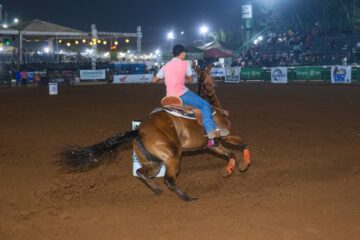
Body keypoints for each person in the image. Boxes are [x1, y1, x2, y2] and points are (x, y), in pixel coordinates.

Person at [152, 44, 229, 140]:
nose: (185, 55)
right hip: (182, 95)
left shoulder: (165, 66)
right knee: (205, 105)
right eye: (184, 53)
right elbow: (191, 80)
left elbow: (154, 80)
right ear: (181, 53)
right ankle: (210, 129)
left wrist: (166, 80)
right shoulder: (185, 64)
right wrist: (184, 79)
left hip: (168, 97)